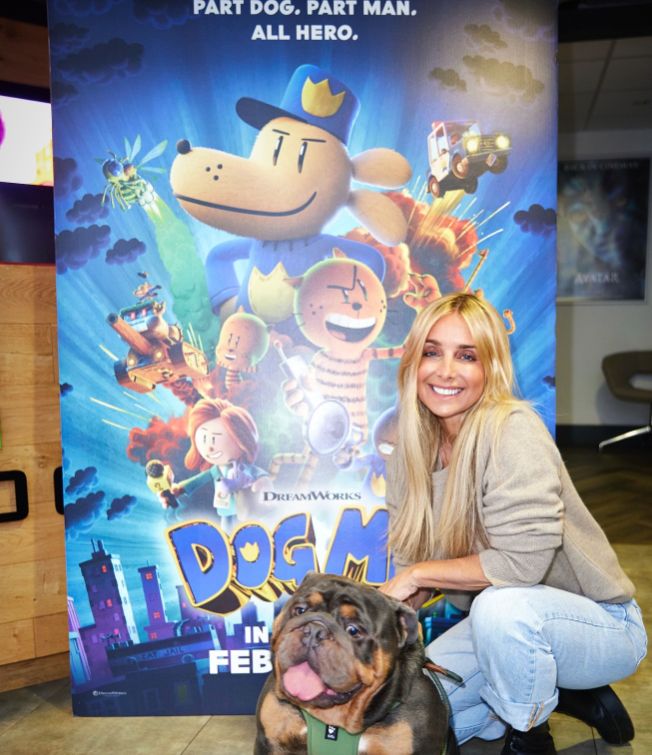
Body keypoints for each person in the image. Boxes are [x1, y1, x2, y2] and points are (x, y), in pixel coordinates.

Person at [380, 292, 647, 755]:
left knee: (500, 609)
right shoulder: (409, 452)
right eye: (432, 352)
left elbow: (520, 566)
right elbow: (413, 577)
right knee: (409, 716)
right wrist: (371, 621)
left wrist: (418, 575)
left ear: (491, 367)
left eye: (467, 355)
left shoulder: (514, 429)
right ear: (412, 363)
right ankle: (552, 694)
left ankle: (530, 737)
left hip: (599, 625)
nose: (445, 371)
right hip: (502, 633)